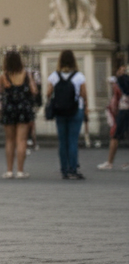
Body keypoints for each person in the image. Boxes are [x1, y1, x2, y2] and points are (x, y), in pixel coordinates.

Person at [47, 49, 88, 180]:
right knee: (73, 140)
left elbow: (48, 93)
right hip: (76, 110)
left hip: (60, 111)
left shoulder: (54, 76)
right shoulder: (79, 76)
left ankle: (64, 169)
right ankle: (73, 169)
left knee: (62, 141)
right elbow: (83, 94)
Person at [0, 51, 36, 179]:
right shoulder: (26, 74)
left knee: (9, 140)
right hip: (23, 109)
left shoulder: (4, 76)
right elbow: (34, 91)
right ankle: (20, 170)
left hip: (8, 109)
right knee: (22, 140)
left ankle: (9, 171)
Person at [98, 61, 129, 170]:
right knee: (116, 135)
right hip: (124, 108)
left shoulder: (123, 79)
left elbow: (126, 90)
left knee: (115, 135)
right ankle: (110, 162)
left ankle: (109, 162)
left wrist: (121, 77)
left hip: (125, 109)